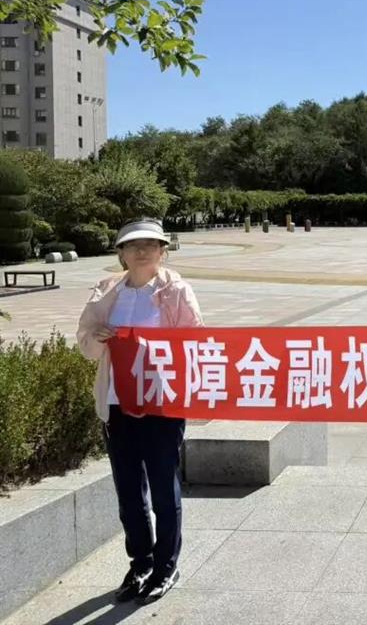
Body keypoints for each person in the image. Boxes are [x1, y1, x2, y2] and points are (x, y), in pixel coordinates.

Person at [77, 218, 203, 604]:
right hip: (117, 403)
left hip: (162, 403)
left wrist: (156, 346)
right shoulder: (106, 291)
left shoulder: (176, 290)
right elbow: (85, 344)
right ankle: (141, 564)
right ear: (121, 254)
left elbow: (195, 340)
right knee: (129, 491)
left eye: (151, 244)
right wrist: (99, 339)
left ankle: (166, 565)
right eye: (133, 245)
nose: (143, 251)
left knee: (164, 488)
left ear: (163, 251)